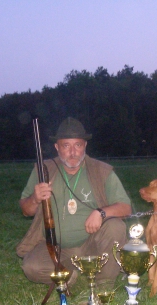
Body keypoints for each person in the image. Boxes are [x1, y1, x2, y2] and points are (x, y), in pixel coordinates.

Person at [17, 117, 132, 287]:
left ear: (85, 145)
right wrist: (34, 199)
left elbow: (126, 208)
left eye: (78, 145)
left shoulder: (102, 171)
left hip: (92, 244)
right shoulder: (43, 170)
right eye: (66, 146)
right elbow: (26, 210)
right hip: (54, 246)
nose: (73, 152)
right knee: (32, 267)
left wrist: (101, 212)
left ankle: (103, 283)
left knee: (116, 226)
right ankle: (72, 273)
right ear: (57, 147)